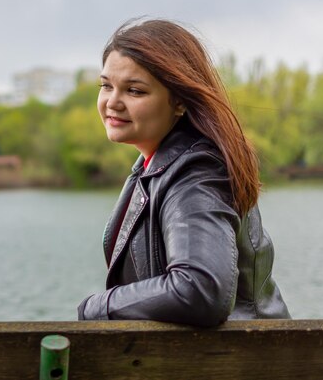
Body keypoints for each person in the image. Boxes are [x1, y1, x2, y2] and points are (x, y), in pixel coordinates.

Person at [77, 18, 290, 326]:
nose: (112, 102)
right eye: (106, 85)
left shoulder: (198, 171)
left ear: (178, 102)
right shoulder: (156, 166)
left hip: (240, 364)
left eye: (134, 91)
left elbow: (200, 289)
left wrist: (97, 307)